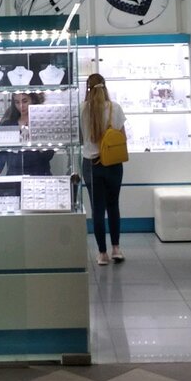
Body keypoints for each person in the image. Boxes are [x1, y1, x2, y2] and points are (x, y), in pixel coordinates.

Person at [80, 73, 126, 266]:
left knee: (97, 210)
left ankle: (102, 254)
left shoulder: (82, 109)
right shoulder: (115, 108)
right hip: (113, 164)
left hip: (91, 165)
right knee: (113, 205)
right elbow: (122, 137)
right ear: (105, 87)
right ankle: (116, 249)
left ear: (87, 89)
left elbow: (80, 139)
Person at [0, 91, 55, 176]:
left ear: (33, 100)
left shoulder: (42, 123)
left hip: (39, 174)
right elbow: (2, 153)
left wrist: (36, 140)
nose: (21, 106)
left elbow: (49, 155)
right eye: (17, 102)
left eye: (24, 101)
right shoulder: (8, 123)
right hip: (14, 175)